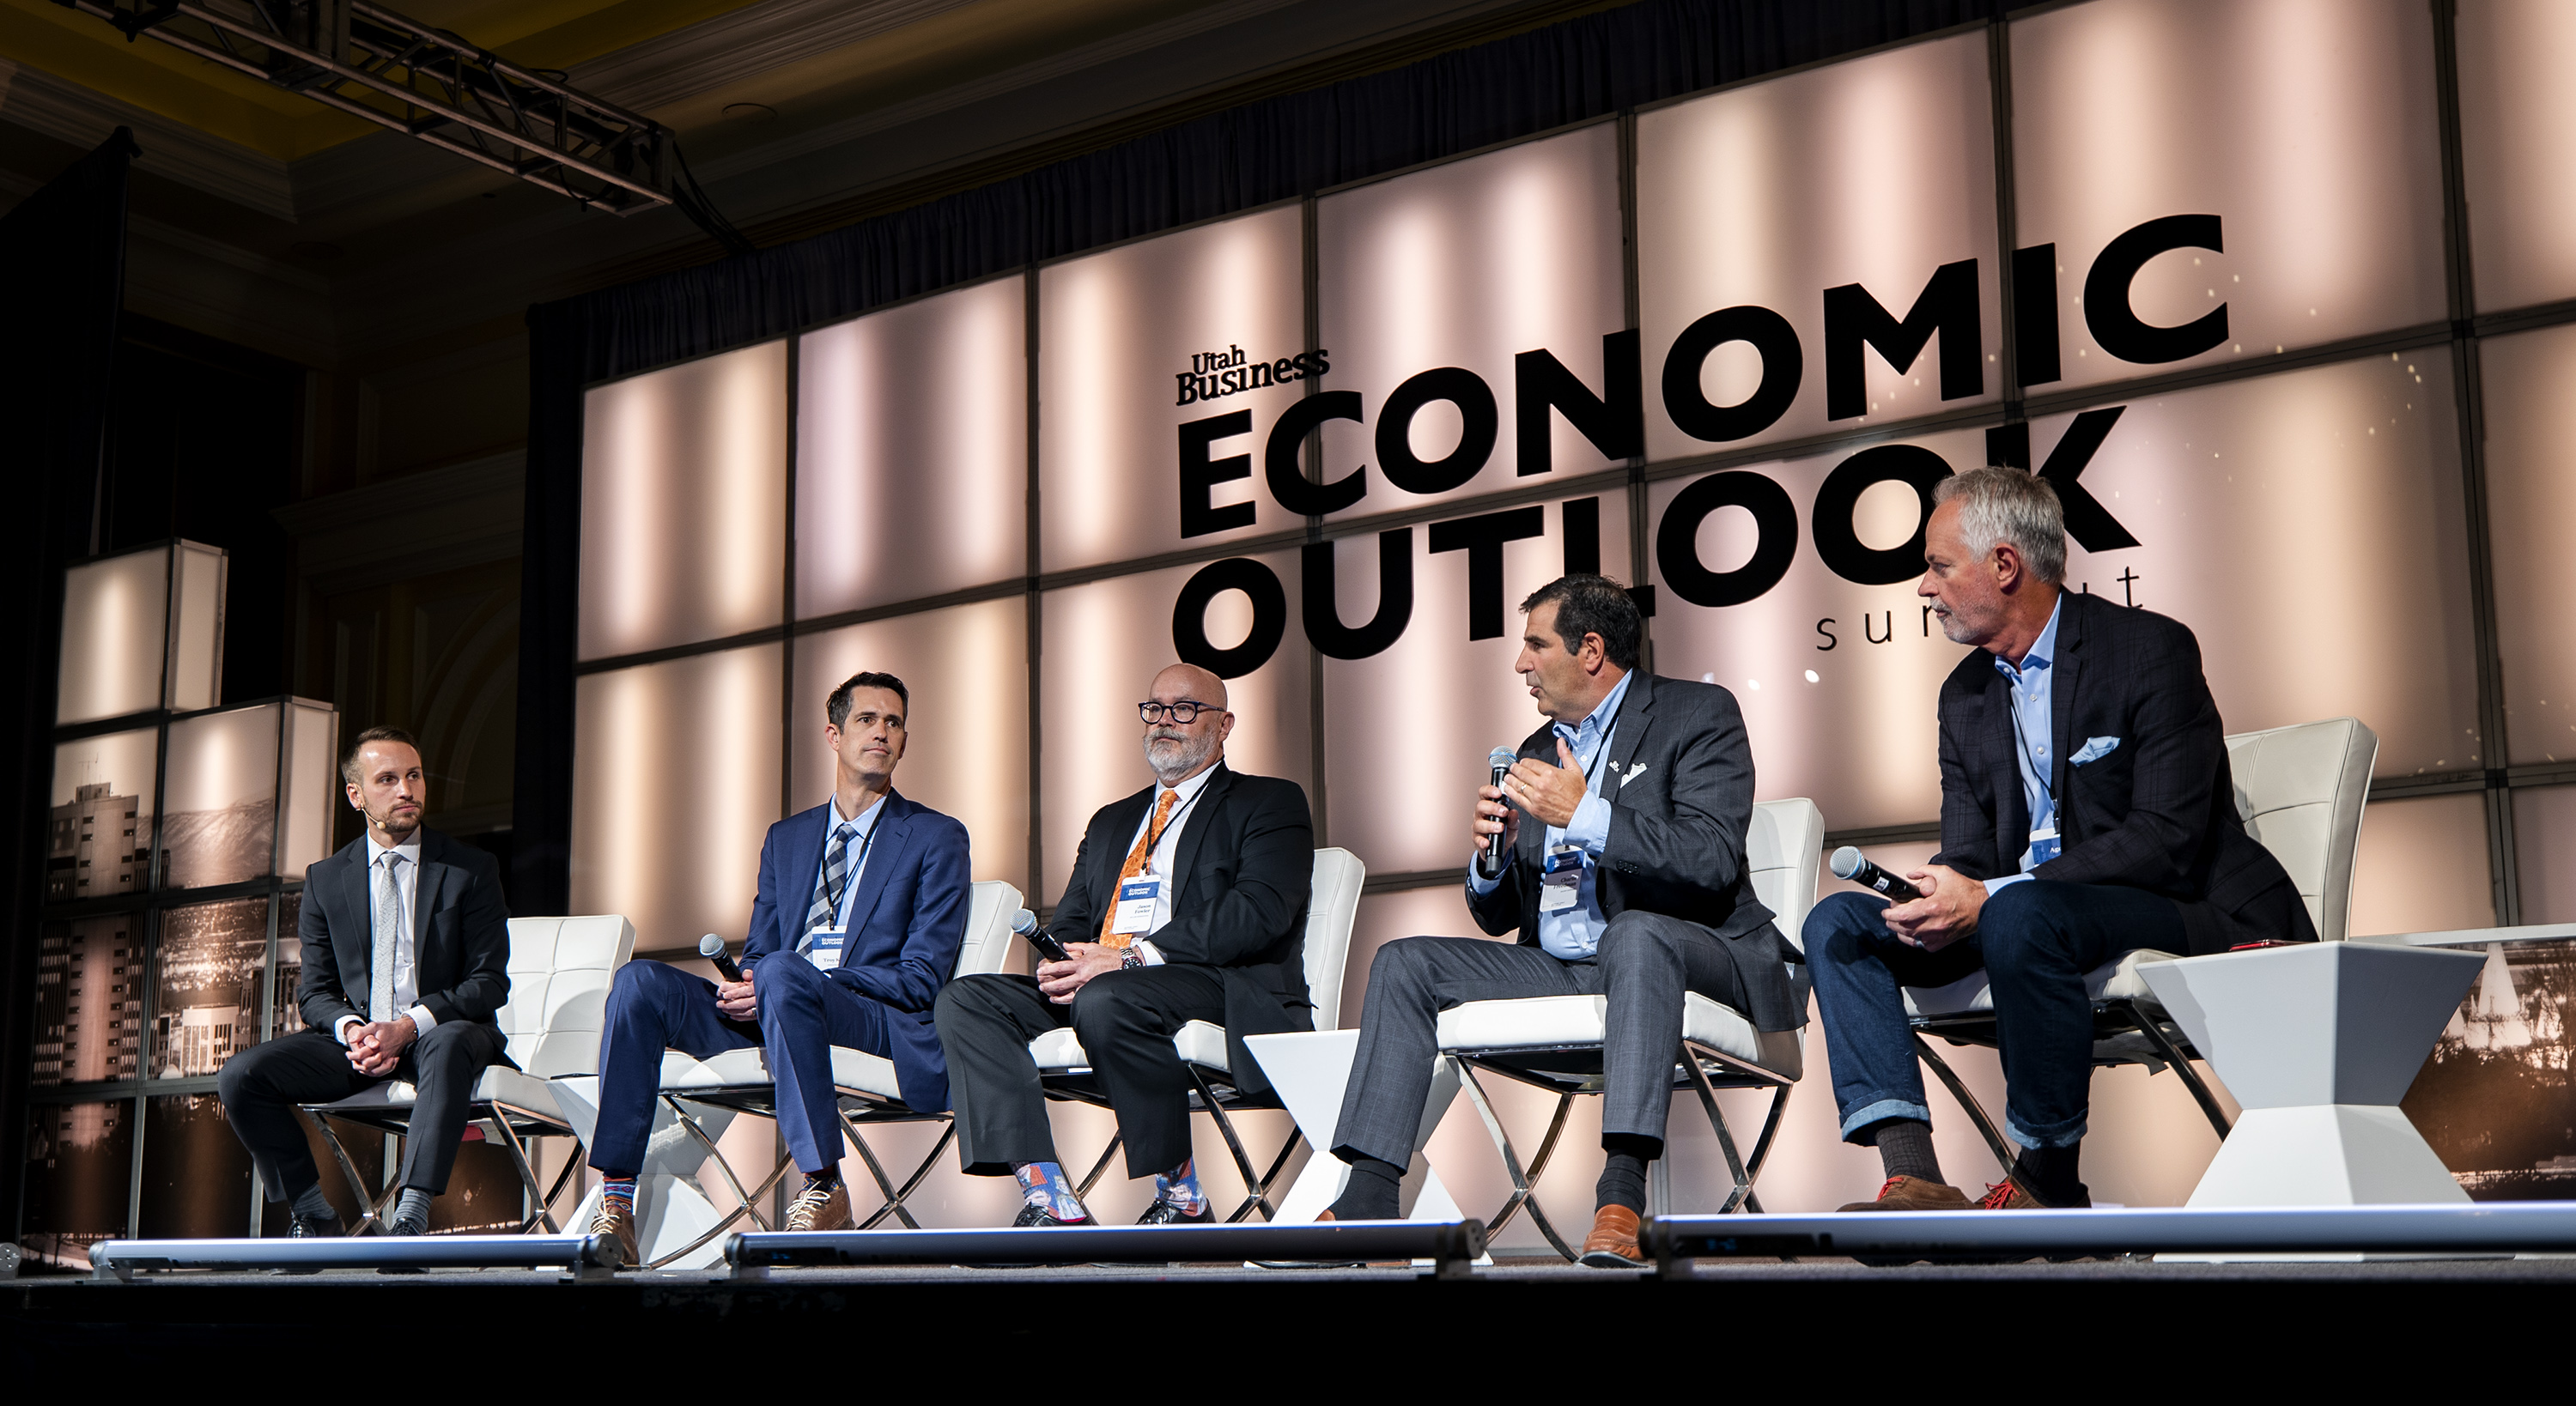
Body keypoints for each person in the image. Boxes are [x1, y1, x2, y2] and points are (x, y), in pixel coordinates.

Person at [1807, 467, 2315, 1213]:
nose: (1923, 587)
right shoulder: (1964, 695)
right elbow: (1973, 856)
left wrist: (1992, 895)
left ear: (2004, 566)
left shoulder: (2148, 650)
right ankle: (1912, 1174)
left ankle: (2047, 1178)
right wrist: (1942, 889)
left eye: (1938, 565)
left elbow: (2166, 838)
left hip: (2175, 902)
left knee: (2018, 912)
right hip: (2036, 920)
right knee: (1839, 925)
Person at [1319, 573, 1803, 1269]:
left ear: (1592, 650)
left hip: (1695, 953)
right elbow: (1496, 916)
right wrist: (1492, 858)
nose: (1520, 664)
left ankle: (1621, 1196)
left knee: (1635, 936)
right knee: (1404, 960)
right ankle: (1367, 1196)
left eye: (1535, 645)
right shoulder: (1536, 750)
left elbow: (1711, 859)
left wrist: (1585, 815)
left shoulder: (1697, 714)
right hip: (1566, 968)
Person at [582, 671, 970, 1264]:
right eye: (867, 720)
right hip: (779, 1004)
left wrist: (799, 979)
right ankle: (616, 1203)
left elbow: (921, 978)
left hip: (872, 1016)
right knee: (639, 983)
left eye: (894, 723)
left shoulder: (936, 837)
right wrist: (749, 984)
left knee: (788, 973)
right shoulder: (786, 839)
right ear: (833, 734)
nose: (883, 733)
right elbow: (762, 951)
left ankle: (823, 1182)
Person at [935, 663, 1313, 1227]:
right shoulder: (1113, 821)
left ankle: (1182, 1196)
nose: (1165, 721)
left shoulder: (1268, 803)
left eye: (1184, 709)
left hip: (1213, 983)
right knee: (967, 1000)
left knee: (1111, 997)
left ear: (1225, 724)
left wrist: (1134, 957)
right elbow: (1073, 919)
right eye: (1154, 708)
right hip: (1104, 986)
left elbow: (1258, 912)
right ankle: (1050, 1198)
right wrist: (1062, 960)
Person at [216, 726, 513, 1238]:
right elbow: (314, 992)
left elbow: (488, 983)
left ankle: (412, 1216)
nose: (407, 790)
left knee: (445, 1042)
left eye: (414, 776)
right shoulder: (326, 878)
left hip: (440, 1035)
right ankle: (312, 1212)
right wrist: (354, 1030)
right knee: (241, 1075)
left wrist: (406, 1026)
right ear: (356, 795)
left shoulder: (469, 869)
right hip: (360, 1044)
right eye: (388, 779)